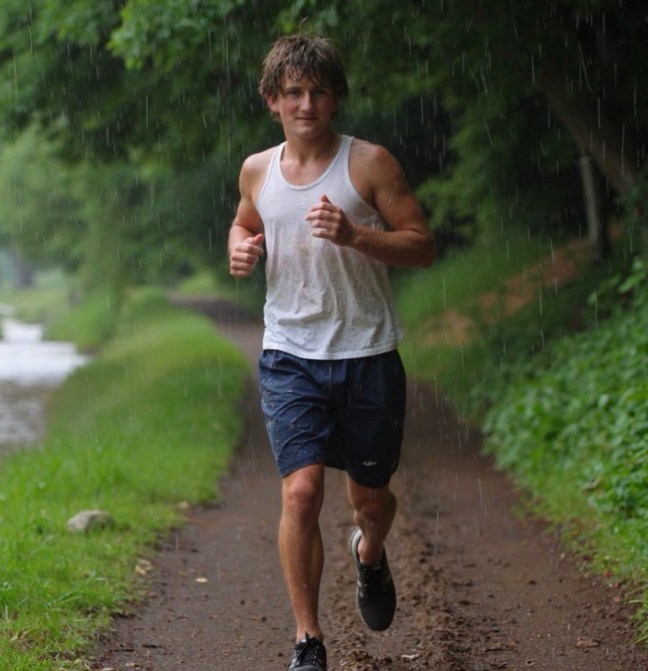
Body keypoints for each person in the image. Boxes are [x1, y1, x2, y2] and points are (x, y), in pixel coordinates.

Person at [227, 32, 436, 671]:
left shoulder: (369, 164)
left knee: (370, 499)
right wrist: (238, 245)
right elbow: (245, 220)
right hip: (290, 353)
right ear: (273, 101)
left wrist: (356, 236)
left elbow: (421, 245)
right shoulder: (257, 170)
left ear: (335, 98)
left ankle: (369, 553)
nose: (307, 103)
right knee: (301, 493)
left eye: (318, 92)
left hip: (367, 352)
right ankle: (308, 641)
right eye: (293, 92)